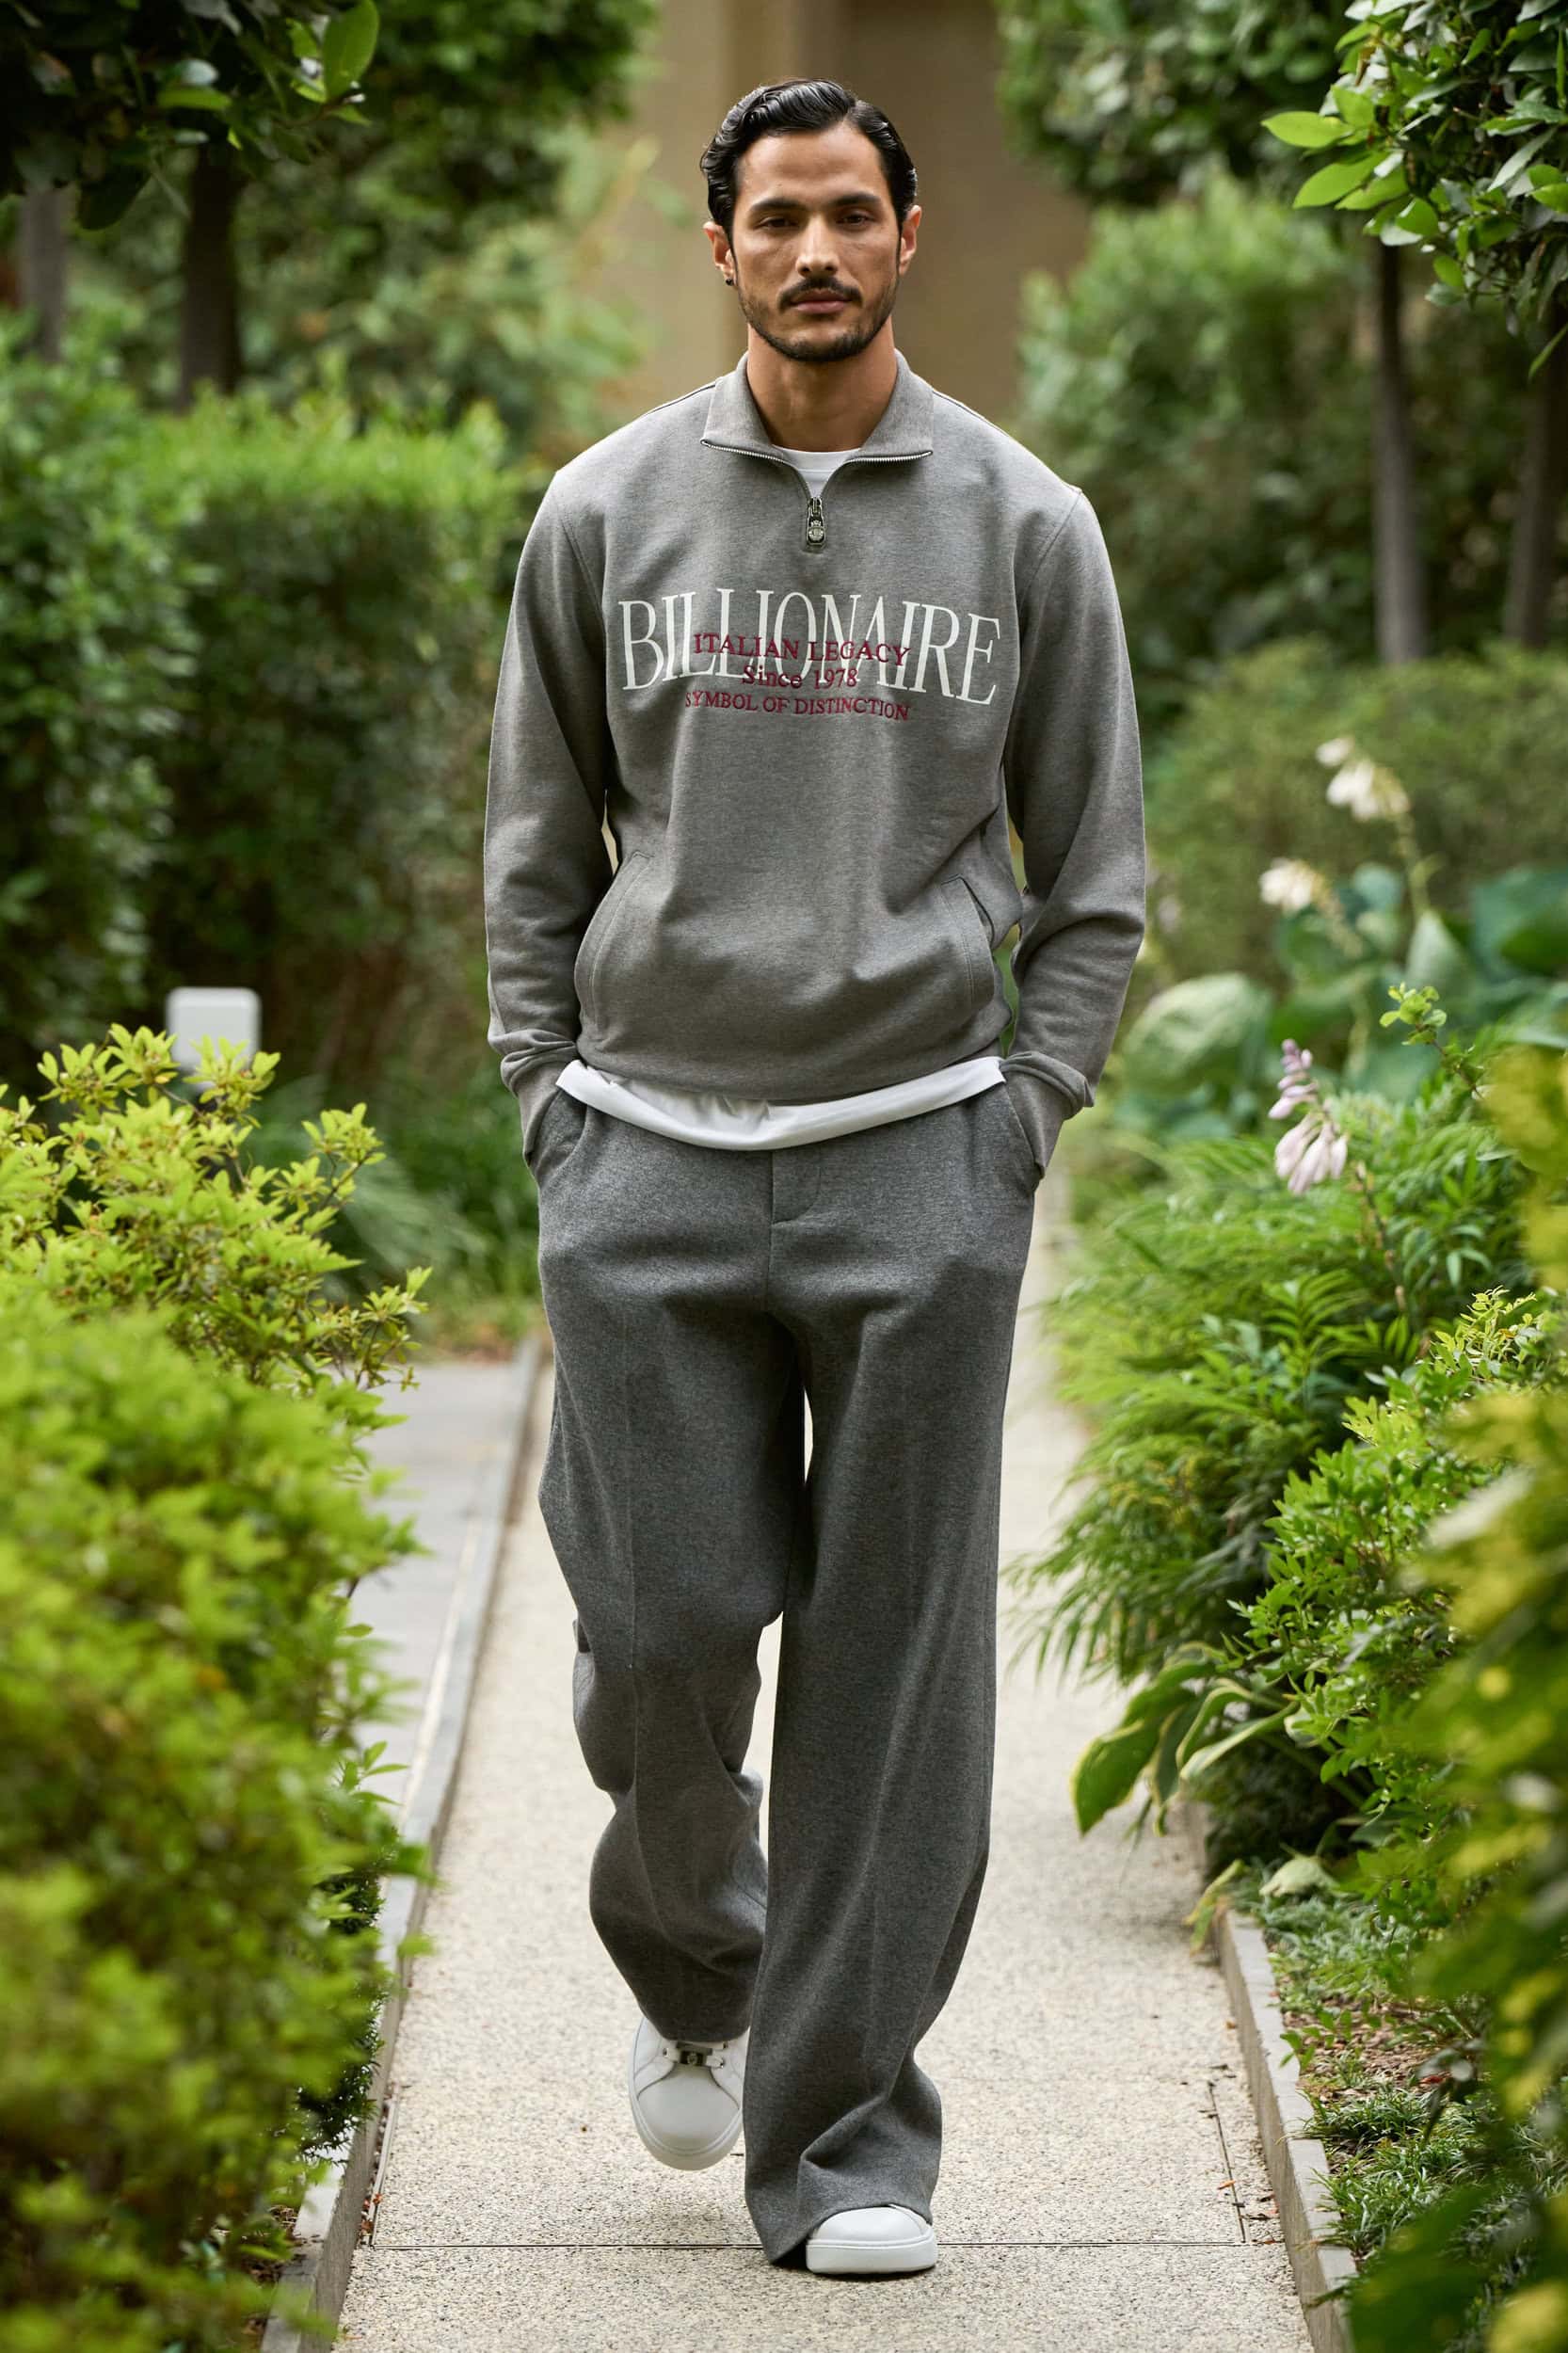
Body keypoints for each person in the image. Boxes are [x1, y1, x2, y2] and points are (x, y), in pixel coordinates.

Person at [482, 76, 1146, 2281]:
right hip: (647, 1162)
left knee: (891, 1675)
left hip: (917, 1162)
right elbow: (533, 838)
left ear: (907, 232)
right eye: (777, 217)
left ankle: (849, 2138)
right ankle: (698, 1955)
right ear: (723, 246)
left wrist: (1018, 1119)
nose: (816, 252)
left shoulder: (1028, 522)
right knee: (663, 1627)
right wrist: (547, 1098)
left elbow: (1097, 872)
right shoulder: (601, 511)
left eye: (852, 212)